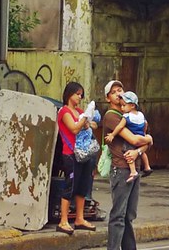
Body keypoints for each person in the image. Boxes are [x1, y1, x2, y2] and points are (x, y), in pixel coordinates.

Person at [103, 79, 152, 250]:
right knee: (118, 215)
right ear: (108, 98)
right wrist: (147, 140)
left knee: (129, 215)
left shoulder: (132, 116)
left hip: (134, 168)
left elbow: (144, 143)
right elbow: (134, 139)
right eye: (114, 91)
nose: (118, 94)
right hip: (121, 169)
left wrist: (140, 149)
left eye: (120, 90)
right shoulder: (112, 116)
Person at [55, 82, 98, 235]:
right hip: (70, 154)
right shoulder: (64, 111)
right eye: (77, 94)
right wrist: (84, 120)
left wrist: (87, 121)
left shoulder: (79, 111)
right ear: (69, 94)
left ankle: (79, 218)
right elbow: (73, 128)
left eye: (81, 94)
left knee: (82, 186)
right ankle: (63, 220)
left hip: (84, 153)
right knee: (70, 185)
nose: (80, 97)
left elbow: (92, 124)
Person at [105, 91, 152, 181]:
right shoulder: (140, 115)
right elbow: (146, 124)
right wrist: (146, 136)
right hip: (141, 136)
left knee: (128, 153)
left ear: (132, 105)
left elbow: (120, 127)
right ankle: (147, 167)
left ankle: (133, 171)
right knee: (143, 153)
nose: (122, 108)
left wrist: (112, 135)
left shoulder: (126, 116)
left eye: (124, 105)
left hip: (134, 137)